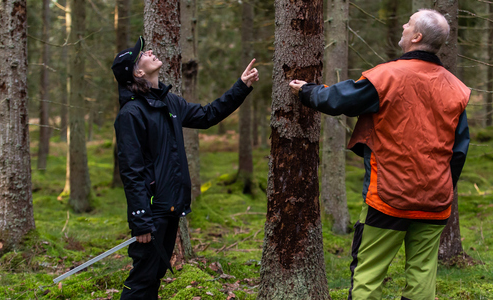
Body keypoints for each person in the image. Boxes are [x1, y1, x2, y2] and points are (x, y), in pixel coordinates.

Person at [289, 9, 470, 300]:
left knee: (368, 276)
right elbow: (459, 150)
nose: (402, 24)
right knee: (423, 277)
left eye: (408, 23)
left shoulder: (388, 76)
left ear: (416, 37)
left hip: (388, 197)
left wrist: (307, 92)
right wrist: (442, 186)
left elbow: (340, 99)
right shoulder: (456, 88)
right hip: (435, 200)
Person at [111, 36, 259, 299]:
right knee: (142, 279)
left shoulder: (170, 103)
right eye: (142, 54)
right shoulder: (131, 114)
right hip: (152, 212)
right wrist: (141, 220)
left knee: (154, 277)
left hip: (171, 207)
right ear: (138, 72)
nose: (151, 51)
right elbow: (131, 172)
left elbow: (207, 115)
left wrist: (242, 86)